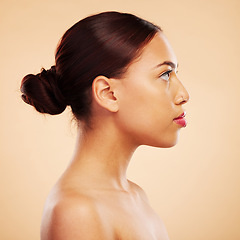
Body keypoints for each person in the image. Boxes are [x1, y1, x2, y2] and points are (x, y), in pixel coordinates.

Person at [20, 11, 189, 240]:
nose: (183, 95)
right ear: (108, 93)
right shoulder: (77, 212)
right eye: (165, 74)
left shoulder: (135, 196)